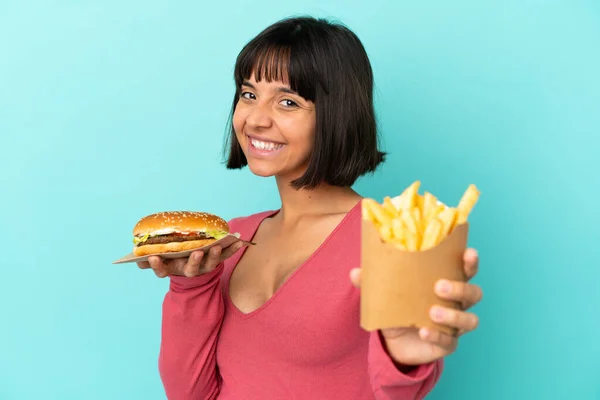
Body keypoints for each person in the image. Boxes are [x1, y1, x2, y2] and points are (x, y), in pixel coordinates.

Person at [137, 16, 483, 400]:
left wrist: (405, 362)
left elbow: (397, 384)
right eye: (249, 94)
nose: (256, 118)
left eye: (288, 102)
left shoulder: (390, 236)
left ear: (335, 115)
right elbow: (190, 394)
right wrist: (191, 285)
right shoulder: (231, 238)